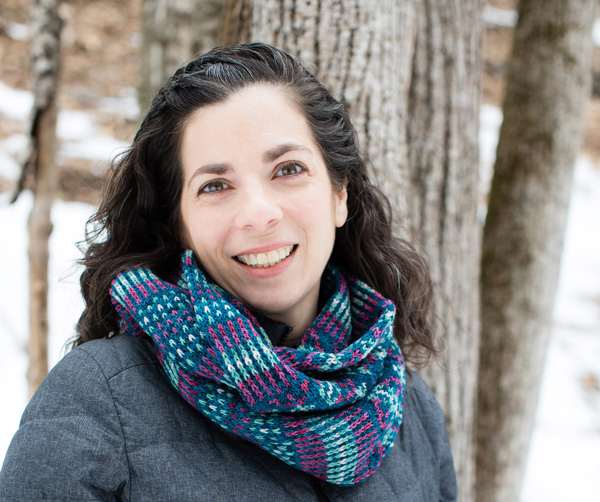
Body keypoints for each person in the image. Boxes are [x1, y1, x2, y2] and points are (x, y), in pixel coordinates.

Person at [0, 43, 457, 501]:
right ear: (179, 223)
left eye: (288, 169)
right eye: (215, 185)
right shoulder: (99, 398)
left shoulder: (409, 405)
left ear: (340, 195)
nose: (258, 214)